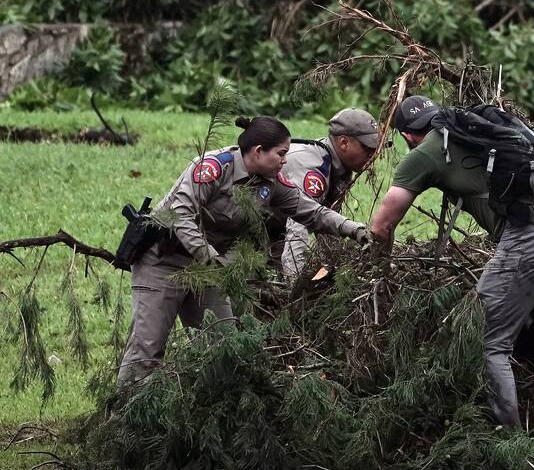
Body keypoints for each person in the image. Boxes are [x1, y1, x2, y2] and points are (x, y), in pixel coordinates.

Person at [369, 95, 534, 461]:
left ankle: (511, 452)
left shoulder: (424, 153)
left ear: (407, 135)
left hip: (531, 234)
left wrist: (379, 270)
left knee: (486, 340)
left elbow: (381, 225)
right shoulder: (474, 130)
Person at [118, 116, 370, 385]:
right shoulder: (214, 167)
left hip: (207, 270)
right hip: (162, 261)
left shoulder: (271, 183)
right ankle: (124, 407)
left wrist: (355, 229)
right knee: (146, 352)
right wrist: (209, 257)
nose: (286, 161)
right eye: (281, 153)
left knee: (225, 348)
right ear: (259, 151)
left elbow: (313, 212)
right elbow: (180, 214)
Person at [273, 108, 382, 278]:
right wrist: (294, 283)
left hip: (274, 224)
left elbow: (326, 223)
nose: (373, 155)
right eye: (368, 148)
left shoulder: (339, 166)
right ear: (344, 142)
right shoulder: (315, 169)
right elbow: (298, 227)